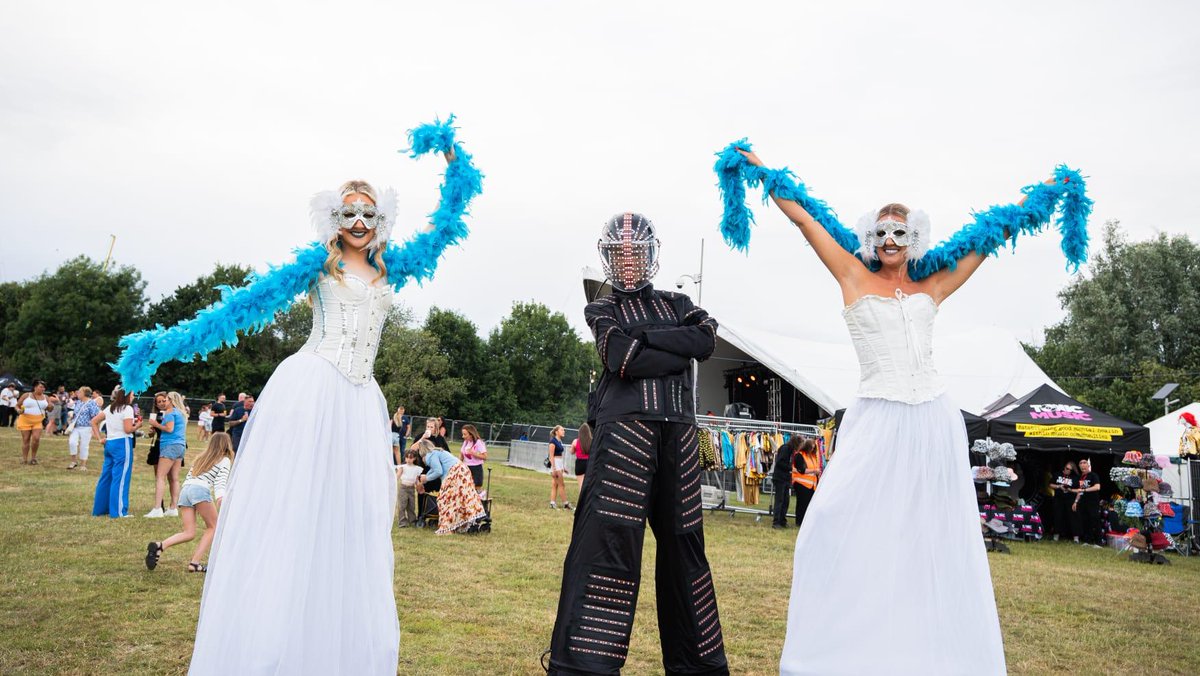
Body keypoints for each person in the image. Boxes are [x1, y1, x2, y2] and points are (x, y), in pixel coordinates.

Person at [732, 147, 1054, 674]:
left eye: (899, 233)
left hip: (932, 419)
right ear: (869, 237)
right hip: (877, 416)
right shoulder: (852, 278)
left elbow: (991, 239)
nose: (889, 241)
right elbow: (807, 222)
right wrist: (764, 172)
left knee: (929, 534)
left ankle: (923, 645)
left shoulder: (933, 286)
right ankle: (847, 640)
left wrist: (1037, 197)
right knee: (833, 521)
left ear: (915, 240)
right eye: (881, 232)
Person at [547, 213, 727, 675]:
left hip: (680, 436)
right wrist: (674, 348)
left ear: (650, 254)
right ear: (609, 257)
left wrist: (646, 339)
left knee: (686, 551)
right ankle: (585, 666)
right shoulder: (602, 309)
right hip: (624, 435)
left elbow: (705, 339)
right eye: (620, 252)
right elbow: (620, 357)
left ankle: (699, 666)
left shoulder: (679, 301)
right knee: (607, 548)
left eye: (636, 251)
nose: (629, 260)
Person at [146, 432, 233, 573]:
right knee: (213, 527)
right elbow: (220, 483)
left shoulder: (201, 458)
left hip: (186, 490)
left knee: (189, 532)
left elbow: (191, 477)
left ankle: (160, 546)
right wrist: (220, 500)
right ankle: (194, 563)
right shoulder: (224, 460)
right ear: (227, 445)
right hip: (200, 491)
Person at [416, 439, 486, 534]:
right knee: (459, 499)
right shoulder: (437, 452)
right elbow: (435, 469)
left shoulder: (429, 455)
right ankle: (461, 523)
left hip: (454, 473)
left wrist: (426, 478)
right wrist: (426, 477)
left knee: (445, 499)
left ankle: (448, 527)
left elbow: (438, 471)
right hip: (462, 470)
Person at [90, 387, 136, 518]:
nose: (133, 397)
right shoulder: (128, 409)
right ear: (127, 396)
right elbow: (128, 430)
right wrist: (137, 426)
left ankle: (100, 509)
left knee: (106, 477)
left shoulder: (110, 407)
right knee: (120, 478)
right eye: (132, 395)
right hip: (122, 443)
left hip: (109, 443)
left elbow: (93, 421)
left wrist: (100, 438)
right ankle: (119, 512)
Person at [145, 392, 189, 517]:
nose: (165, 401)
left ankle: (157, 509)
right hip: (180, 447)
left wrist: (155, 424)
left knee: (160, 477)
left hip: (169, 446)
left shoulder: (170, 412)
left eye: (166, 399)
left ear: (171, 400)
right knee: (174, 478)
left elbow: (169, 429)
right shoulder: (181, 413)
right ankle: (173, 508)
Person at [16, 380, 58, 465]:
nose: (43, 388)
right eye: (41, 387)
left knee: (36, 439)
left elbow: (49, 409)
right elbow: (17, 405)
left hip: (38, 421)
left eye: (44, 387)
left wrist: (51, 406)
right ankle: (24, 459)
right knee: (26, 440)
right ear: (35, 387)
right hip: (25, 420)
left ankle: (33, 458)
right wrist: (18, 410)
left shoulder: (46, 397)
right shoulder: (26, 395)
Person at [789, 438, 821, 529]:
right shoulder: (799, 455)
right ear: (806, 447)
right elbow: (801, 470)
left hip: (811, 485)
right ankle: (799, 522)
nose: (812, 449)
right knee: (802, 504)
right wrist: (814, 471)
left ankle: (806, 522)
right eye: (811, 447)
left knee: (808, 504)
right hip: (801, 483)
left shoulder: (813, 456)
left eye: (813, 448)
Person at [68, 387, 101, 470]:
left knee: (84, 445)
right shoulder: (78, 402)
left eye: (79, 392)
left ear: (84, 393)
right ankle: (74, 461)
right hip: (75, 427)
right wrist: (71, 415)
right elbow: (76, 413)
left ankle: (83, 465)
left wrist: (94, 429)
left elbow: (95, 417)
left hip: (87, 427)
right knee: (72, 442)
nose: (77, 393)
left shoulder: (92, 403)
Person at [1073, 457, 1103, 547]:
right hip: (1083, 503)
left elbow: (1097, 487)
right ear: (1079, 467)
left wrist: (1085, 490)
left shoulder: (1093, 475)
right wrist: (1075, 501)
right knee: (1086, 522)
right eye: (1081, 464)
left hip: (1093, 502)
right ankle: (1088, 541)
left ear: (1088, 465)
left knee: (1095, 521)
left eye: (1084, 463)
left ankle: (1099, 542)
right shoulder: (1081, 478)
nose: (1083, 465)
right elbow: (1080, 490)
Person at [770, 437, 799, 528]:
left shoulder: (790, 450)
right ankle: (776, 522)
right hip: (780, 478)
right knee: (780, 500)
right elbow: (779, 462)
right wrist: (791, 468)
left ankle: (782, 520)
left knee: (786, 500)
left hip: (785, 478)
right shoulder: (785, 448)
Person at [1052, 461, 1079, 542]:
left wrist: (1070, 490)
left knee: (1073, 518)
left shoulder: (1075, 477)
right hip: (1059, 499)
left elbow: (1079, 490)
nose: (1068, 471)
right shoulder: (1057, 474)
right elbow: (1050, 484)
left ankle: (1075, 537)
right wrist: (1059, 486)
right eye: (1067, 468)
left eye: (1070, 470)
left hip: (1070, 499)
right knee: (1057, 516)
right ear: (1064, 467)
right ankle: (1056, 536)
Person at [396, 449, 422, 528]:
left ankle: (412, 520)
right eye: (407, 458)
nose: (408, 459)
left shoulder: (417, 468)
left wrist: (419, 487)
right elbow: (398, 476)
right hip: (403, 488)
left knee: (411, 505)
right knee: (402, 505)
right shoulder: (402, 467)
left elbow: (417, 480)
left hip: (411, 488)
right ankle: (402, 522)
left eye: (410, 458)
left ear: (414, 458)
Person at [547, 425, 571, 510]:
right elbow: (551, 456)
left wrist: (563, 467)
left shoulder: (559, 441)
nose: (563, 431)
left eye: (564, 430)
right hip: (555, 464)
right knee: (562, 485)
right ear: (556, 432)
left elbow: (560, 455)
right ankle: (566, 504)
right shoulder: (553, 441)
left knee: (555, 485)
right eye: (562, 430)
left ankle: (552, 503)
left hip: (559, 464)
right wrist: (554, 469)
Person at [459, 424, 488, 489]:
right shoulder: (465, 442)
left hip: (476, 469)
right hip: (466, 468)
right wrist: (458, 465)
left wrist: (473, 453)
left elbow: (485, 457)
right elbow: (462, 454)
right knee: (465, 488)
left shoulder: (478, 442)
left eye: (465, 434)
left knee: (474, 489)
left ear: (471, 434)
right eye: (463, 434)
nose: (463, 436)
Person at [572, 423, 592, 490]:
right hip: (589, 463)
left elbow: (571, 452)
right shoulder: (592, 441)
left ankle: (582, 500)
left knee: (581, 485)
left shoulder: (575, 441)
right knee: (589, 485)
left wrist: (575, 449)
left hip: (579, 463)